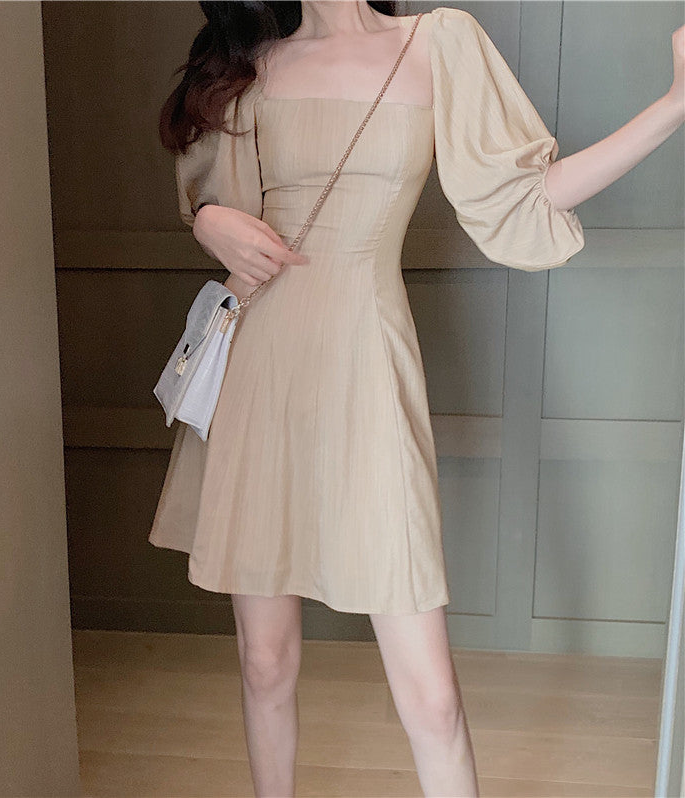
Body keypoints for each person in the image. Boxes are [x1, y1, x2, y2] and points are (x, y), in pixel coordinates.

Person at [151, 2, 685, 795]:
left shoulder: (440, 41)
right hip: (261, 369)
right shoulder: (252, 64)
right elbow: (213, 195)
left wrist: (674, 105)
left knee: (433, 701)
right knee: (265, 662)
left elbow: (526, 195)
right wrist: (207, 220)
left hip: (368, 364)